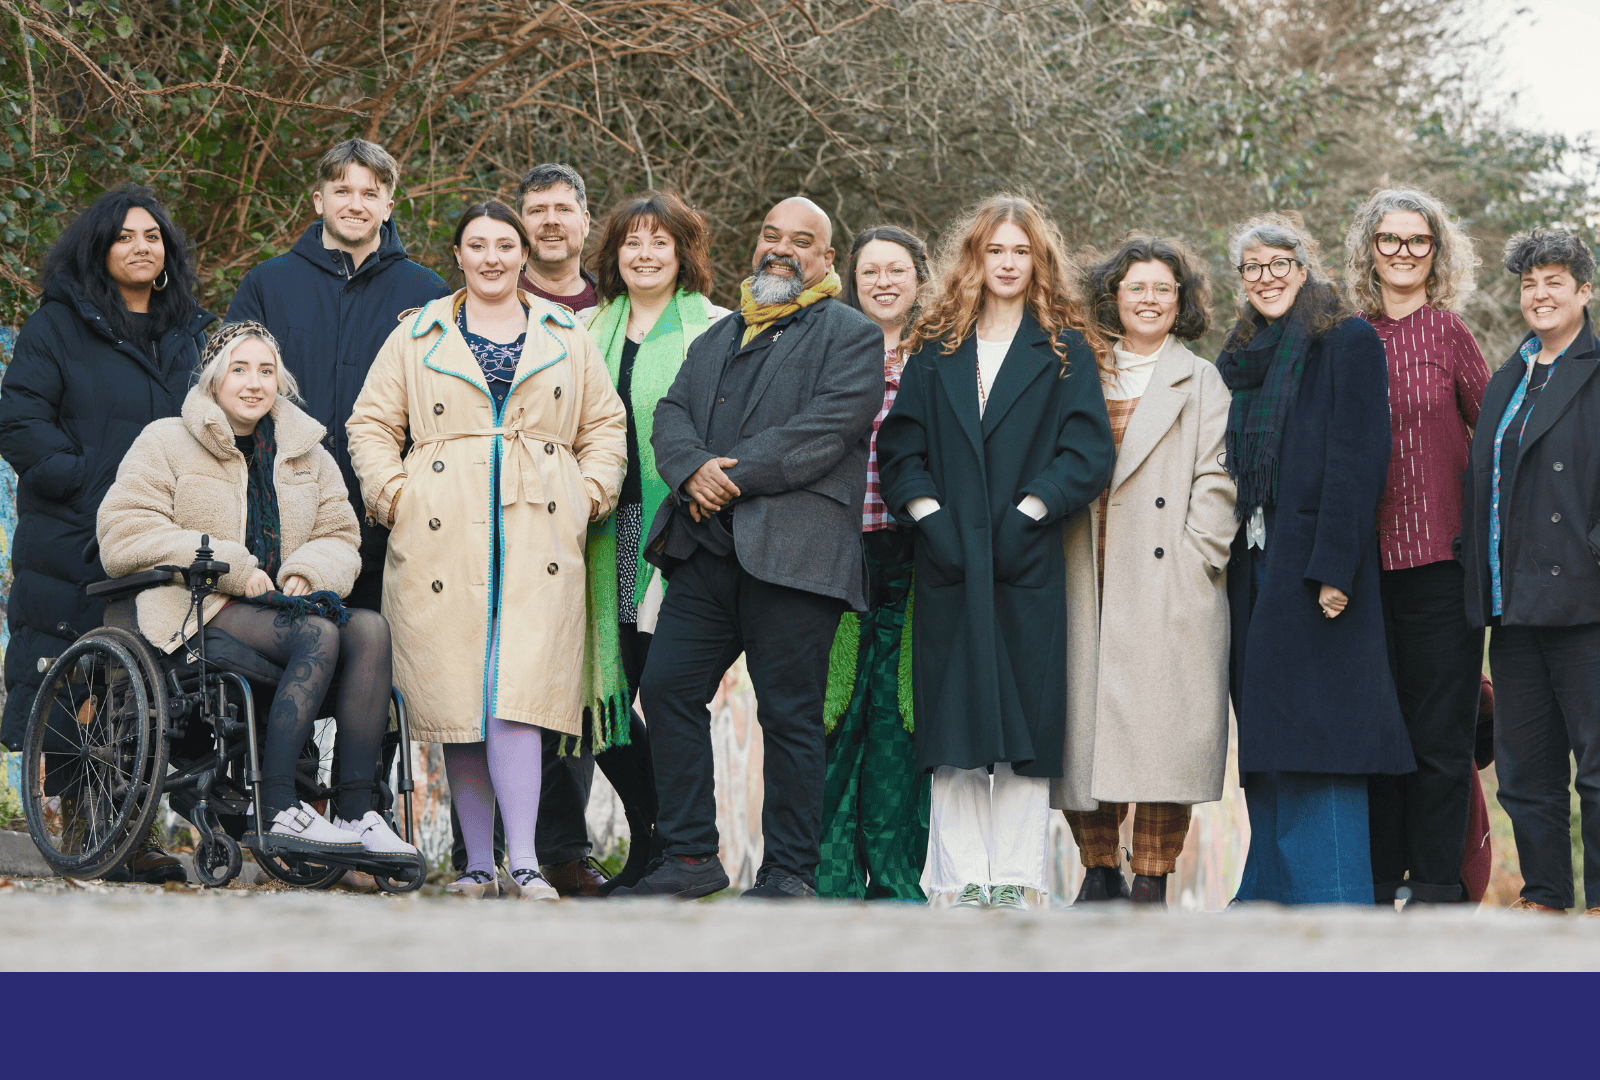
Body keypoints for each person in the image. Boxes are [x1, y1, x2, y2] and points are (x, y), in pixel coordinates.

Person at [347, 200, 627, 900]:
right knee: (460, 698)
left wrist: (589, 493)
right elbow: (371, 422)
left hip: (540, 534)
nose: (494, 257)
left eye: (506, 244)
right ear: (460, 256)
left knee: (519, 697)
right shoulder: (418, 334)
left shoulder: (567, 331)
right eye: (479, 245)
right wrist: (395, 496)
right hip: (442, 534)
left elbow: (605, 423)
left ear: (524, 255)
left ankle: (526, 860)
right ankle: (477, 864)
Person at [615, 196, 883, 900]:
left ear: (827, 259)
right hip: (703, 551)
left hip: (795, 557)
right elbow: (671, 414)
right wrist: (688, 468)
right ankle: (692, 859)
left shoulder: (851, 335)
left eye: (803, 240)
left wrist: (722, 475)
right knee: (668, 688)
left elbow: (826, 429)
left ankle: (790, 872)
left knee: (789, 715)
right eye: (771, 235)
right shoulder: (718, 333)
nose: (781, 248)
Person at [96, 322, 414, 858]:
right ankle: (282, 808)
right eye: (239, 369)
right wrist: (230, 566)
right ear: (214, 380)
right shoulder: (166, 440)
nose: (253, 383)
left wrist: (308, 572)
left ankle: (360, 812)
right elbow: (125, 532)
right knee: (317, 633)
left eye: (266, 371)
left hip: (282, 608)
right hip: (196, 610)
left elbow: (340, 534)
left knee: (370, 629)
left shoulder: (307, 453)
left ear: (279, 382)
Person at [879, 194, 1116, 910]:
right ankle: (957, 881)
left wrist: (1029, 510)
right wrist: (930, 518)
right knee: (954, 727)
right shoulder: (936, 346)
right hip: (947, 562)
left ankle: (1015, 881)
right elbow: (901, 449)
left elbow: (1086, 451)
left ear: (1037, 262)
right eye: (995, 252)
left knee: (1022, 725)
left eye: (1021, 252)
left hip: (1027, 561)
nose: (1008, 264)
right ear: (974, 261)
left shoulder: (1064, 350)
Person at [0, 185, 214, 882]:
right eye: (125, 236)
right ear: (100, 247)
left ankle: (133, 831)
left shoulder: (191, 332)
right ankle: (87, 826)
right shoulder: (57, 326)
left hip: (163, 539)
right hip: (72, 534)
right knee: (75, 672)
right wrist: (93, 485)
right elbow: (21, 420)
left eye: (153, 236)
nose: (141, 246)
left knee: (147, 682)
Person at [539, 190, 730, 897]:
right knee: (602, 696)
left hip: (679, 540)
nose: (645, 253)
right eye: (632, 242)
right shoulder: (583, 329)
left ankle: (683, 849)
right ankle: (655, 838)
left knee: (662, 688)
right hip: (600, 537)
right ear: (613, 254)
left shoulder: (714, 328)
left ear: (684, 253)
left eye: (660, 241)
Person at [1220, 212, 1413, 907]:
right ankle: (1268, 891)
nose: (1267, 278)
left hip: (1316, 571)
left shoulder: (1347, 339)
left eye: (1280, 264)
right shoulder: (1243, 353)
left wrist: (1336, 568)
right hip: (1254, 570)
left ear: (1304, 268)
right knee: (1270, 736)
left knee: (1323, 736)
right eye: (1253, 268)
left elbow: (1361, 459)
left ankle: (1332, 899)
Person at [1054, 235, 1237, 907]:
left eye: (1164, 289)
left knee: (1163, 729)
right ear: (1115, 297)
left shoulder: (1202, 378)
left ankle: (1152, 874)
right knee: (1084, 724)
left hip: (1166, 576)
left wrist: (1197, 561)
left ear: (1181, 301)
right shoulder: (1081, 369)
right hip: (1087, 563)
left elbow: (1218, 480)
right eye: (1138, 288)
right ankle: (1098, 866)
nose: (1151, 300)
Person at [226, 139, 450, 612]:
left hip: (389, 525)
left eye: (370, 193)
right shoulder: (267, 284)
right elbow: (226, 393)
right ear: (319, 200)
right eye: (343, 190)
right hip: (280, 519)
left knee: (374, 663)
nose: (355, 204)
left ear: (389, 206)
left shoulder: (429, 293)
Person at [1343, 187, 1491, 906]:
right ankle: (1378, 885)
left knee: (1439, 739)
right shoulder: (1347, 338)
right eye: (1390, 240)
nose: (1403, 253)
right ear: (1369, 249)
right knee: (1379, 736)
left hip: (1443, 567)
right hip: (1364, 574)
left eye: (1417, 241)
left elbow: (1494, 441)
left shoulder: (1450, 335)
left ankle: (1437, 888)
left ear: (1437, 253)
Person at [1459, 228, 1600, 916]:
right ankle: (1546, 899)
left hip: (1585, 600)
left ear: (1585, 291)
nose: (1539, 295)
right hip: (1511, 602)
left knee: (1598, 767)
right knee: (1525, 769)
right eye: (1529, 284)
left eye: (1554, 282)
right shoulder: (1509, 376)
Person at [816, 225, 933, 900]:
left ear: (919, 279)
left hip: (914, 558)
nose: (884, 282)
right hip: (838, 554)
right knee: (835, 717)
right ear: (853, 283)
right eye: (870, 273)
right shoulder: (831, 352)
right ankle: (830, 878)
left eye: (897, 271)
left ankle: (893, 881)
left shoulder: (942, 356)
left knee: (897, 723)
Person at [517, 163, 599, 313]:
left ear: (585, 223)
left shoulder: (618, 302)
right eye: (537, 210)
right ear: (519, 225)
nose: (551, 220)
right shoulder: (488, 303)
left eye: (563, 209)